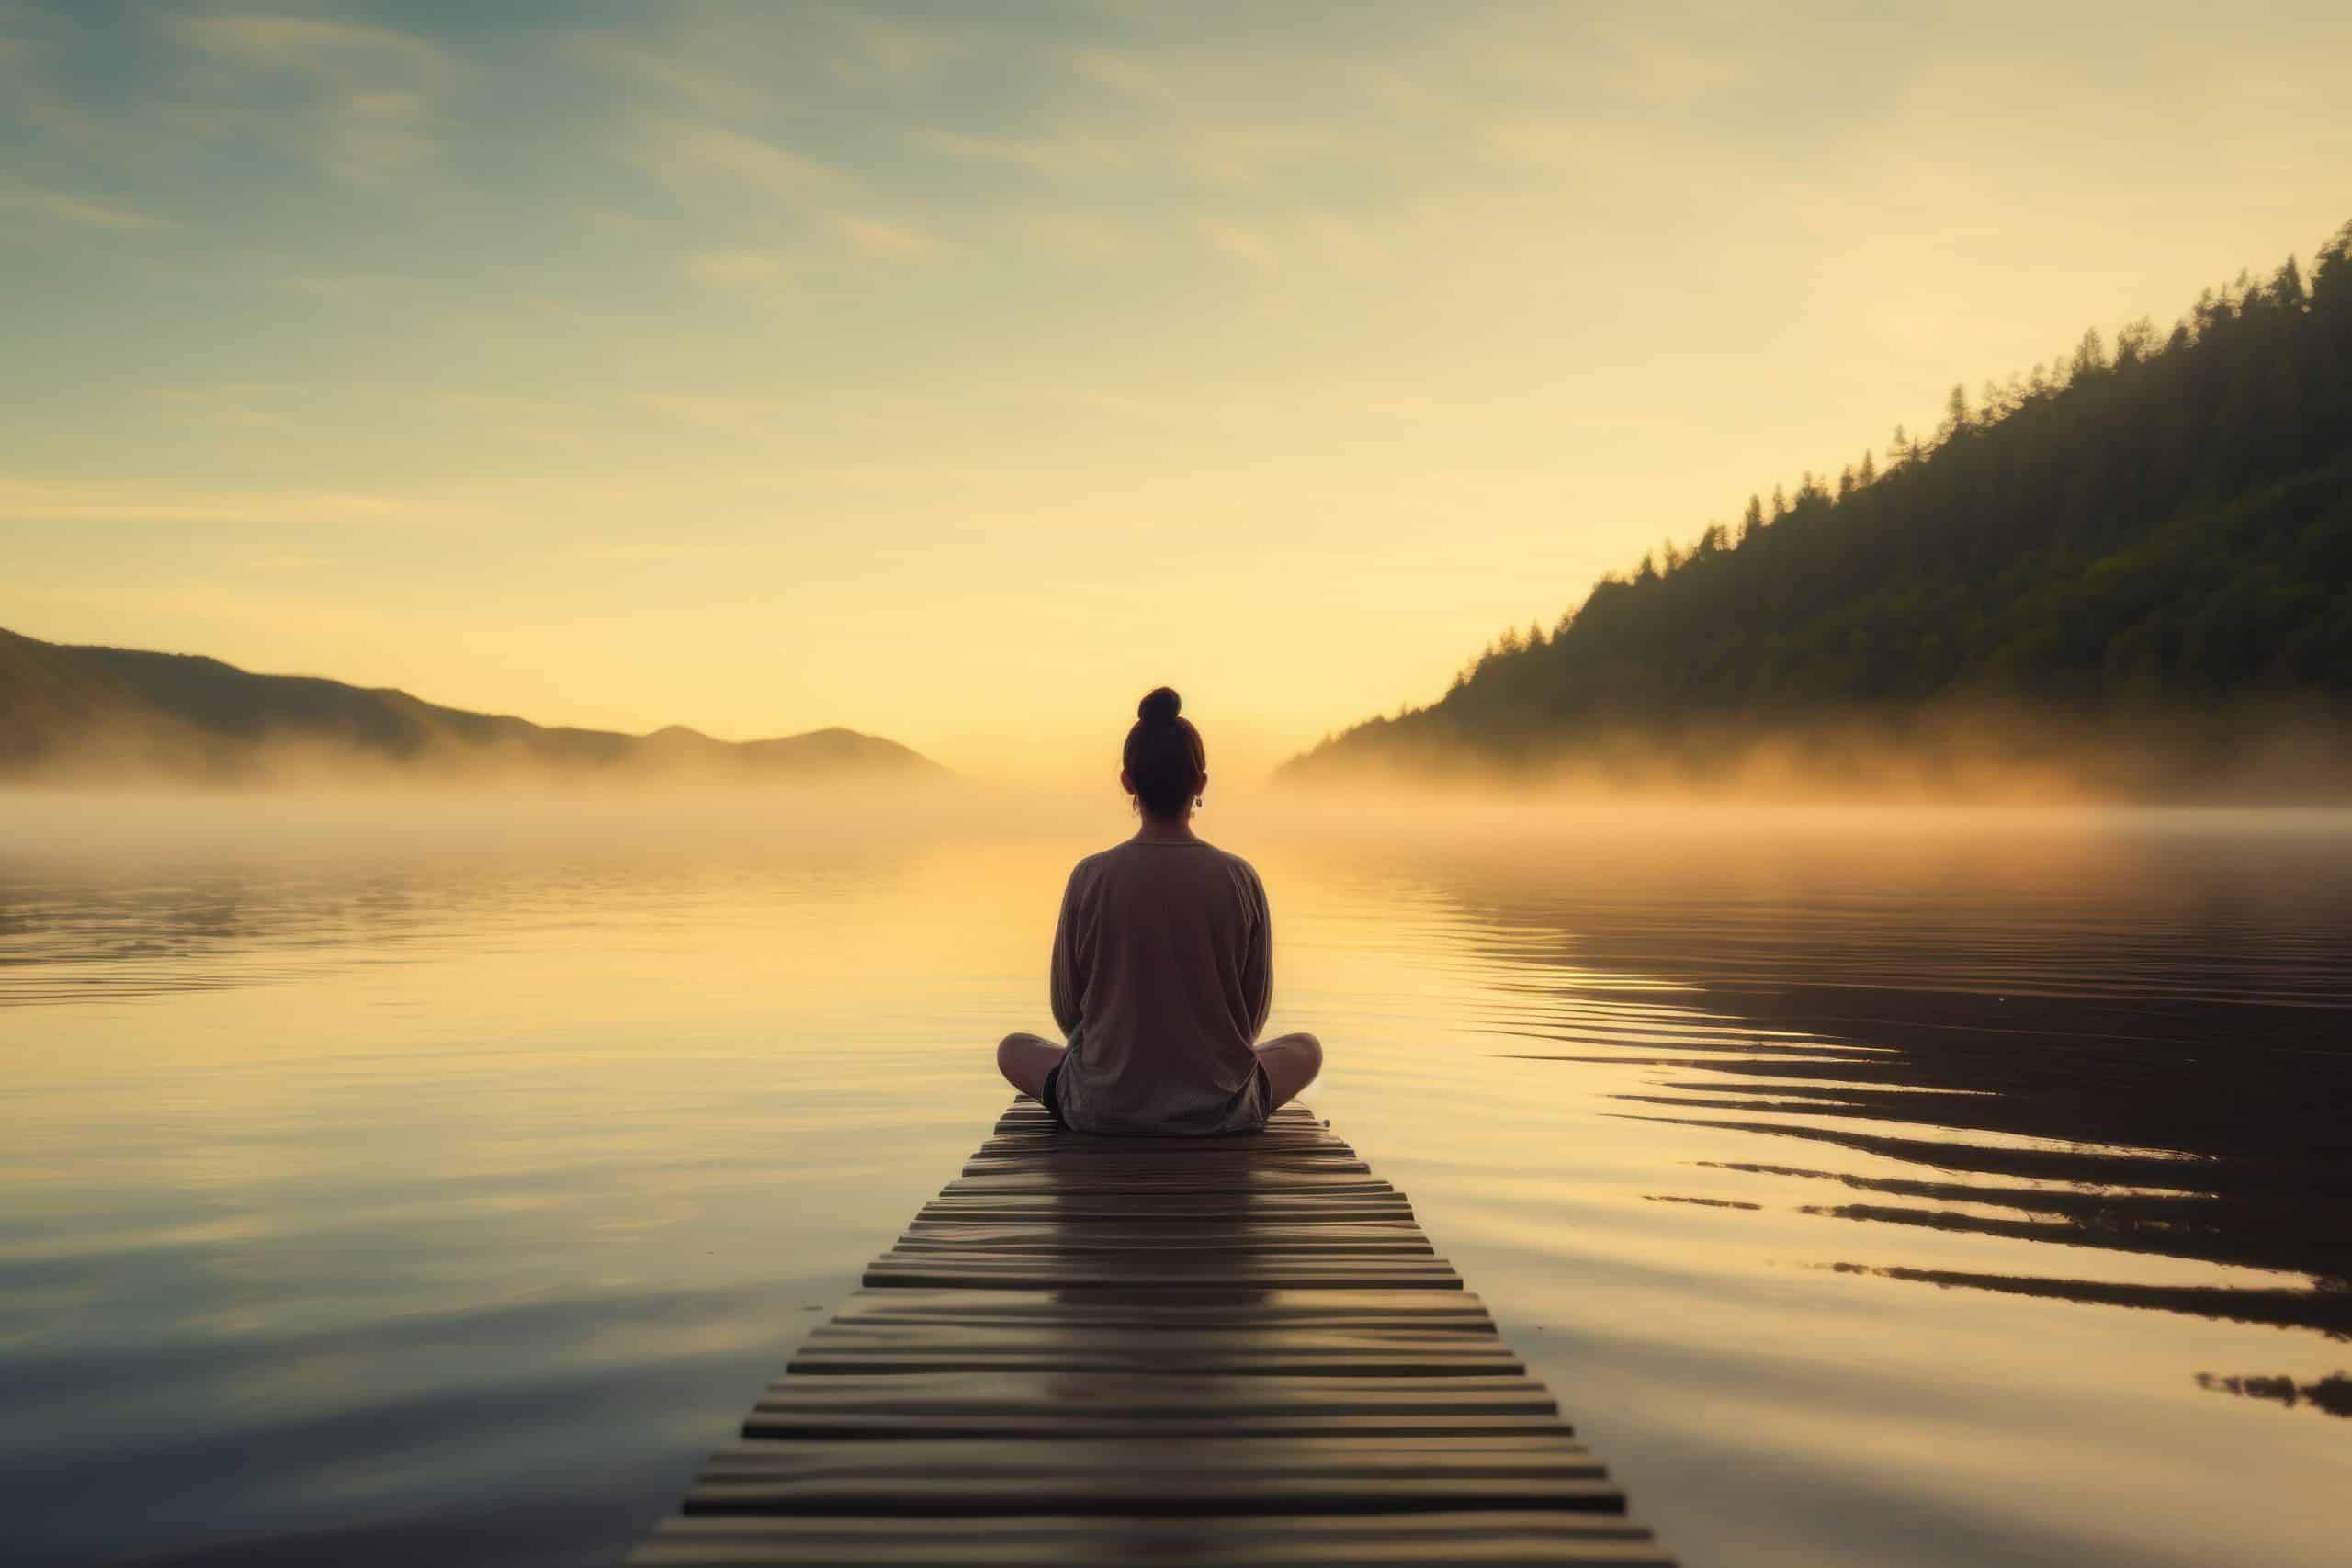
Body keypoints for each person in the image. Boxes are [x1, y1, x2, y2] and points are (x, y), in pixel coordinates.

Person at [995, 686, 1323, 1134]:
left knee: (1013, 1049)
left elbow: (1067, 1011)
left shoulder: (1090, 877)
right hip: (1218, 1108)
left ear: (1128, 781)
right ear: (1200, 784)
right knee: (1306, 1050)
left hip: (1103, 1106)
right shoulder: (1239, 879)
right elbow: (1251, 1018)